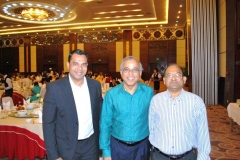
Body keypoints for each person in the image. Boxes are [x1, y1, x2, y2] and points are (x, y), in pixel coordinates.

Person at [42, 49, 102, 160]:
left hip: (91, 147)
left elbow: (100, 116)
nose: (80, 68)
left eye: (83, 64)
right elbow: (48, 124)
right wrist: (54, 156)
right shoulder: (55, 88)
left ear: (87, 66)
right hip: (65, 148)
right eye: (75, 64)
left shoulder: (95, 86)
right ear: (68, 64)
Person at [149, 64, 211, 160]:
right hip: (159, 156)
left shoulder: (196, 102)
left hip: (187, 156)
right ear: (164, 80)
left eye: (177, 75)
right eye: (169, 75)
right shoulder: (156, 100)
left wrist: (203, 157)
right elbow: (151, 127)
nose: (173, 78)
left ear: (184, 79)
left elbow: (203, 134)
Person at [100, 56, 154, 160]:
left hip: (142, 147)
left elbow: (154, 120)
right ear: (121, 72)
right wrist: (106, 153)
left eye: (135, 70)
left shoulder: (149, 92)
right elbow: (105, 124)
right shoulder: (111, 94)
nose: (131, 74)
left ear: (140, 73)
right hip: (118, 148)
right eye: (126, 69)